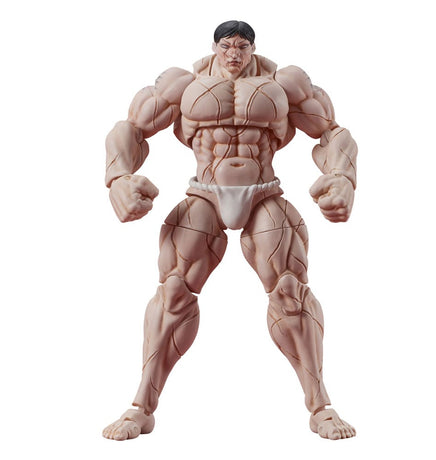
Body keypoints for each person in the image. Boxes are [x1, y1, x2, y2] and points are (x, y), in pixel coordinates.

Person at [103, 20, 357, 441]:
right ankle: (140, 407)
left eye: (242, 46)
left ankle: (321, 407)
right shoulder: (184, 84)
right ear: (215, 47)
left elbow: (333, 132)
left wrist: (342, 177)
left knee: (290, 291)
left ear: (253, 47)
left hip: (264, 193)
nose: (234, 54)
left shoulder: (284, 83)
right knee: (173, 291)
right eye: (226, 46)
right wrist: (119, 178)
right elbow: (130, 128)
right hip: (204, 194)